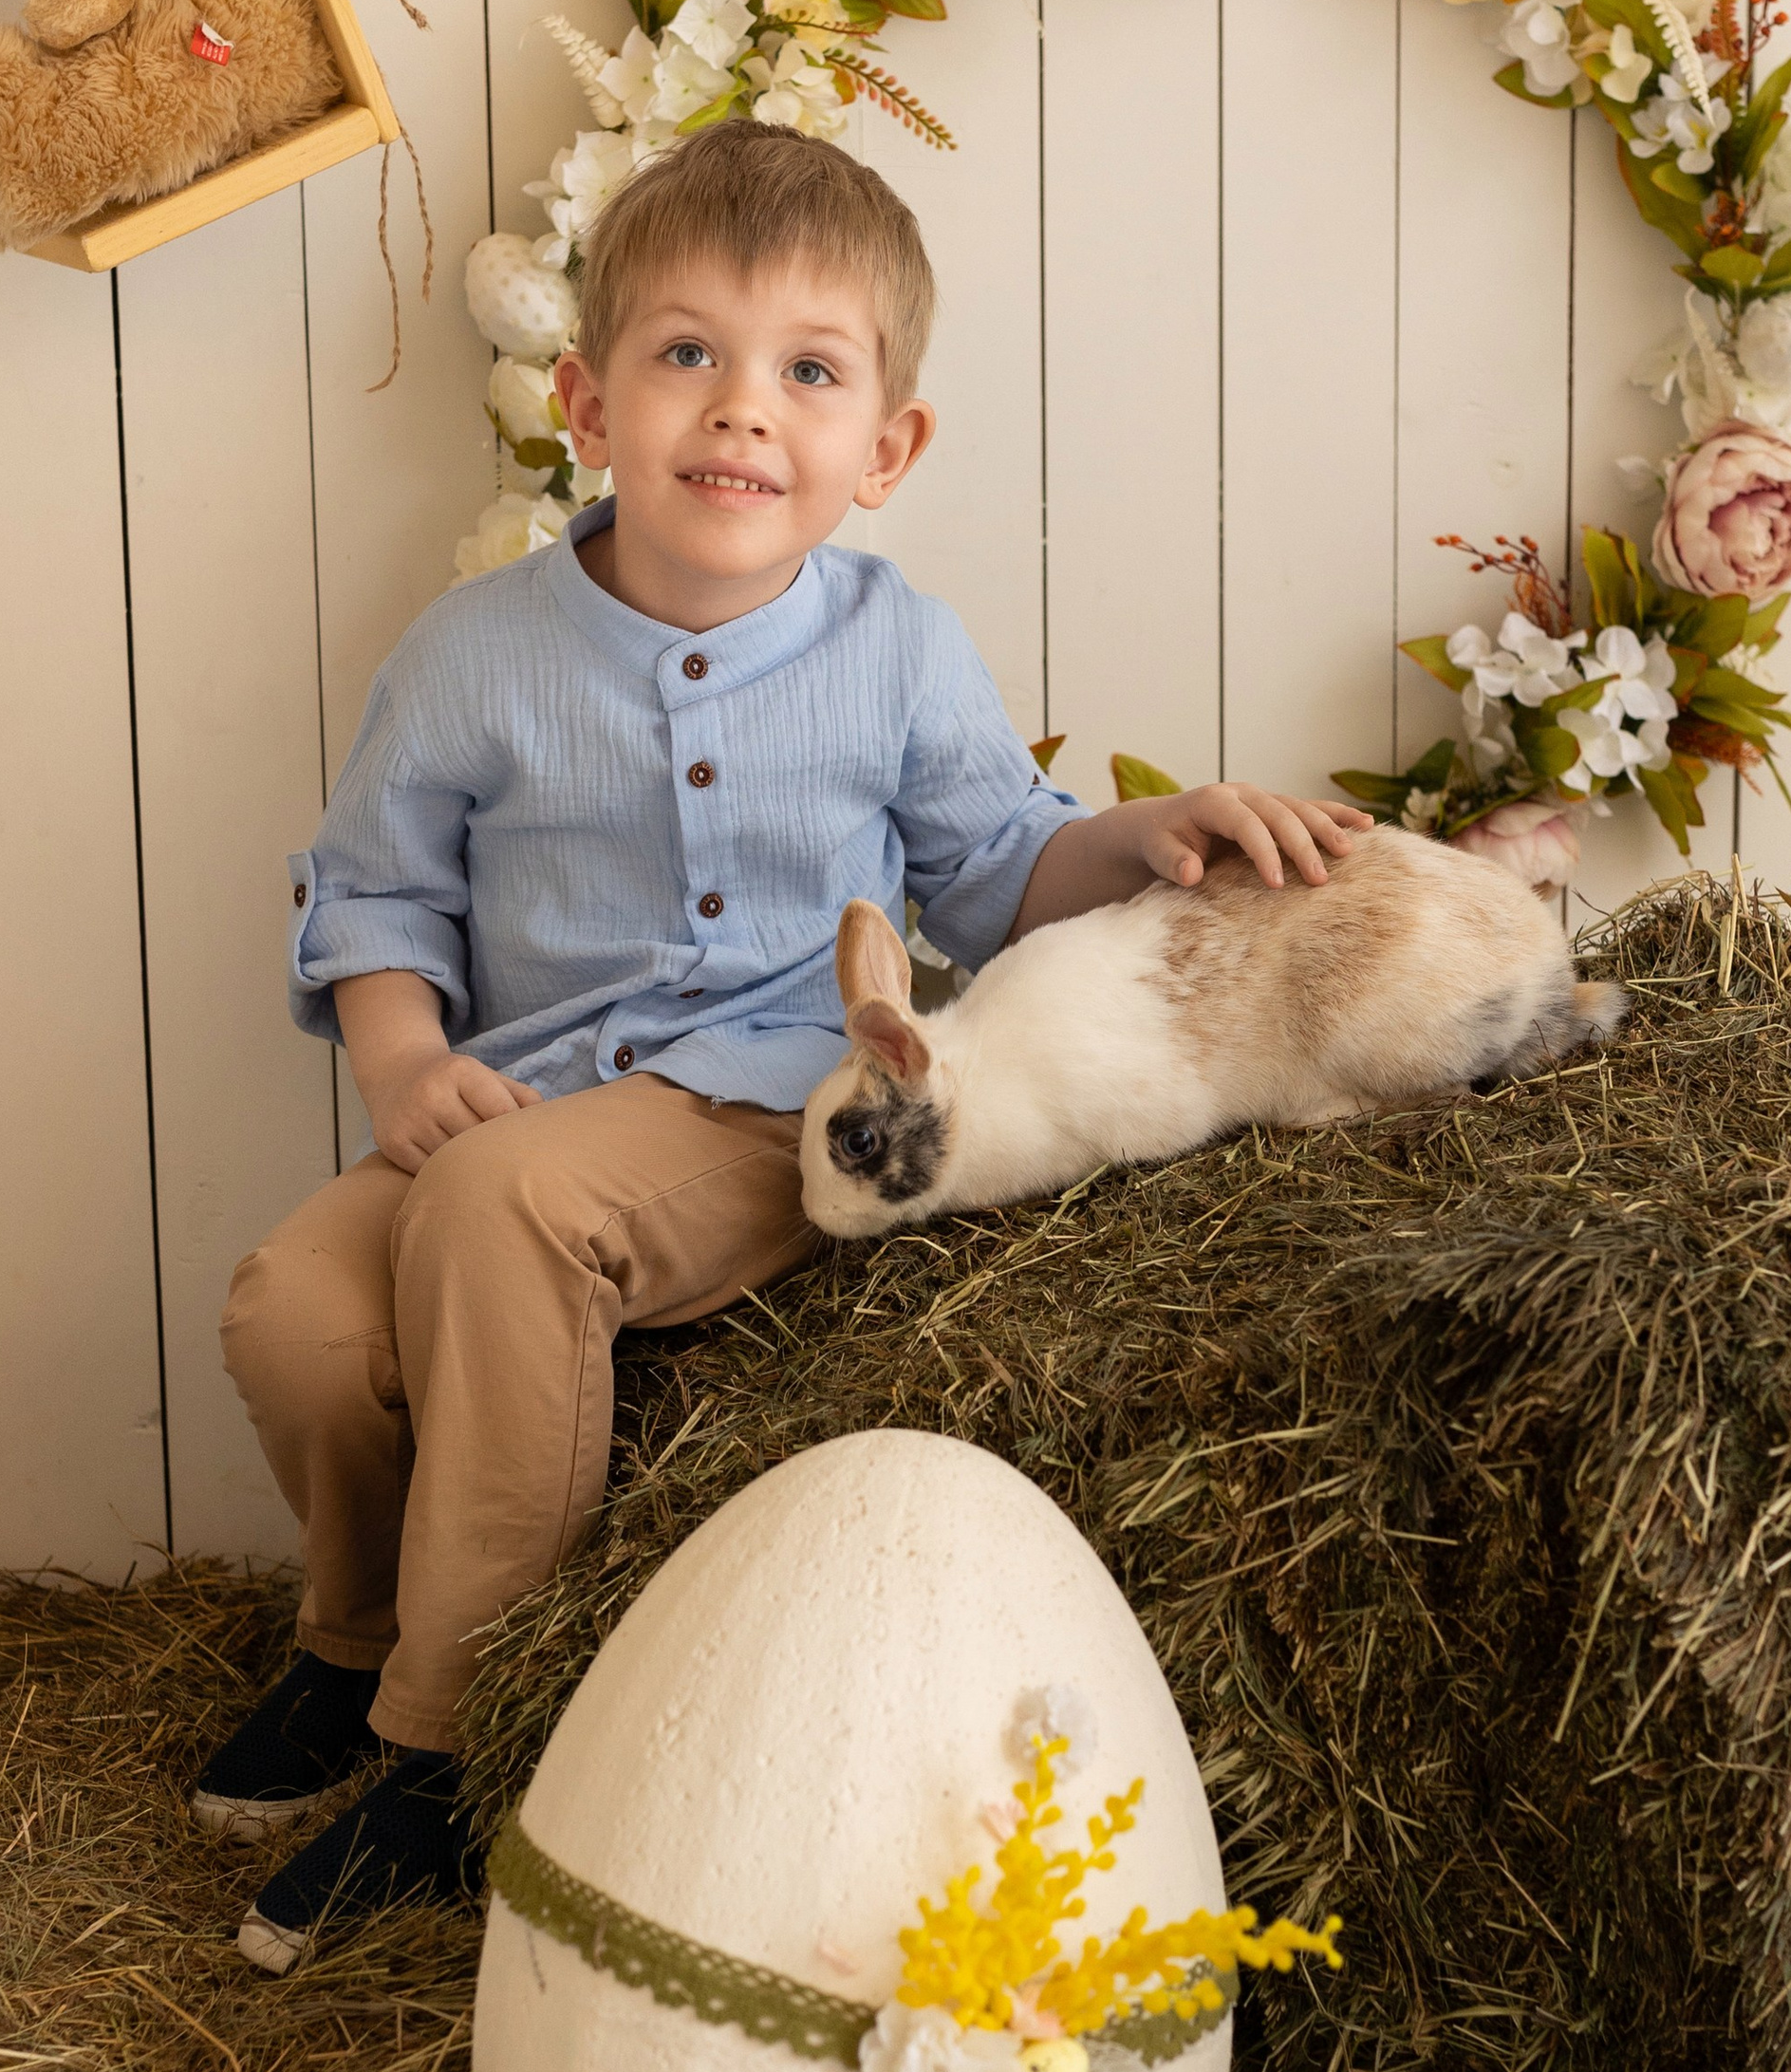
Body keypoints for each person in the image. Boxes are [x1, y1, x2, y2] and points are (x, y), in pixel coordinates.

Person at [202, 120, 1368, 1968]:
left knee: (507, 1214)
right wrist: (406, 1066)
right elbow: (370, 903)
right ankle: (348, 1650)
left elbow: (997, 874)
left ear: (882, 449)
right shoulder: (469, 655)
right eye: (687, 356)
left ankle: (446, 1750)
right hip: (511, 1098)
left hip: (763, 1104)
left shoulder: (896, 652)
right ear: (587, 404)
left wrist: (1144, 839)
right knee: (296, 1311)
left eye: (806, 374)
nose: (741, 412)